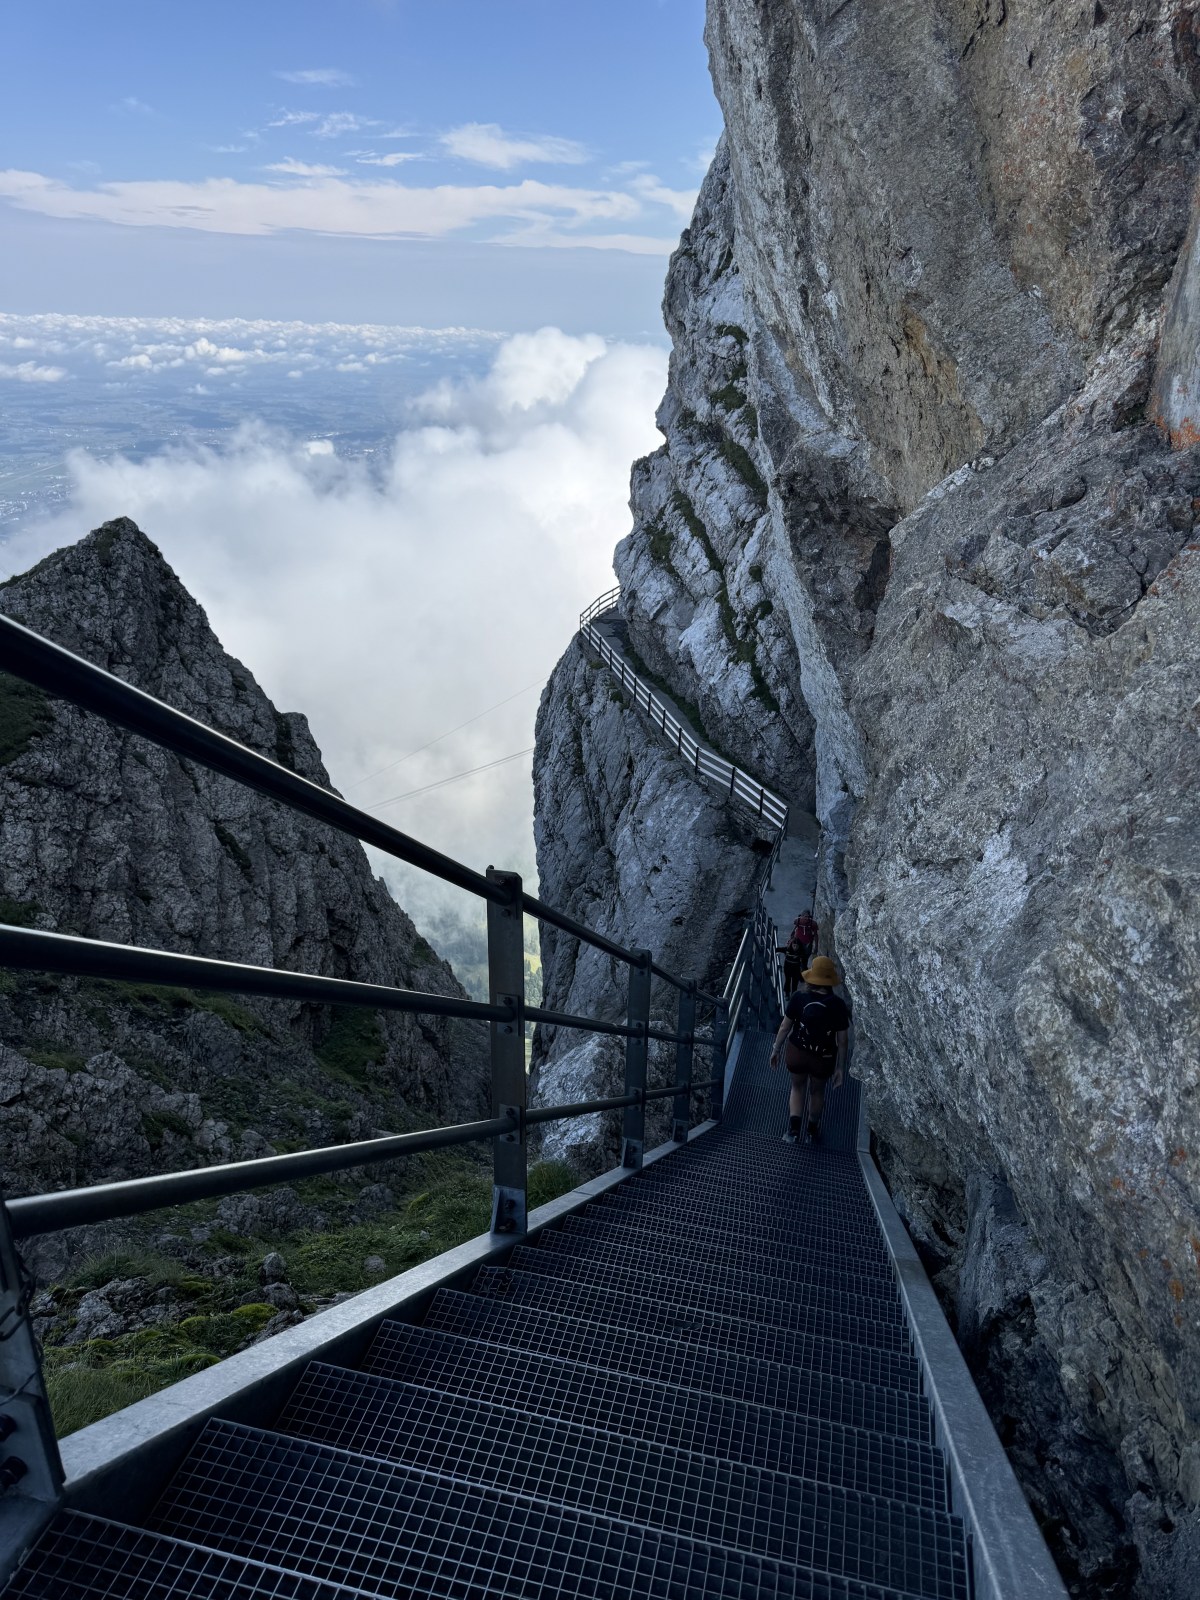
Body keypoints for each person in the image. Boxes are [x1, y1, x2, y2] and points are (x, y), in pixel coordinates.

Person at [769, 954, 849, 1144]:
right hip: (823, 1058)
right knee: (817, 1092)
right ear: (830, 980)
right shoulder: (838, 1005)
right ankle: (812, 1133)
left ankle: (793, 1132)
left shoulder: (799, 997)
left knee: (797, 1087)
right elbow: (843, 1040)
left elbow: (784, 1027)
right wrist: (840, 1068)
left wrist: (776, 1049)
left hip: (797, 1052)